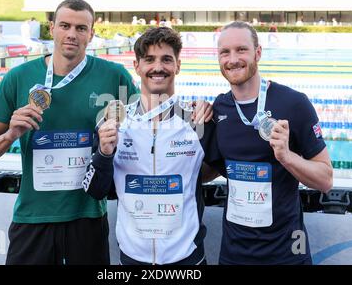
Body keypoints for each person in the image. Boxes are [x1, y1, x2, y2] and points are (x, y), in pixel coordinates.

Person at [0, 0, 139, 265]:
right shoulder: (17, 78)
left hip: (87, 217)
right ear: (52, 29)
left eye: (81, 28)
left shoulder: (114, 76)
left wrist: (195, 112)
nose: (72, 34)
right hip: (33, 217)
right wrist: (10, 134)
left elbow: (147, 126)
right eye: (65, 25)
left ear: (92, 33)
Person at [83, 27, 216, 265]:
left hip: (187, 258)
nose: (158, 67)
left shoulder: (197, 122)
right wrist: (103, 154)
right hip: (134, 258)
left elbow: (219, 168)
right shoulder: (114, 123)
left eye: (166, 59)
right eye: (149, 60)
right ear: (137, 66)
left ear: (178, 66)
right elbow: (94, 190)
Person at [211, 21, 333, 265]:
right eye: (225, 52)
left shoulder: (294, 103)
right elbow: (209, 170)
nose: (233, 59)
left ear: (258, 53)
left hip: (287, 252)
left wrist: (287, 157)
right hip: (234, 254)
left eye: (241, 50)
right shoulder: (219, 108)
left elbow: (326, 180)